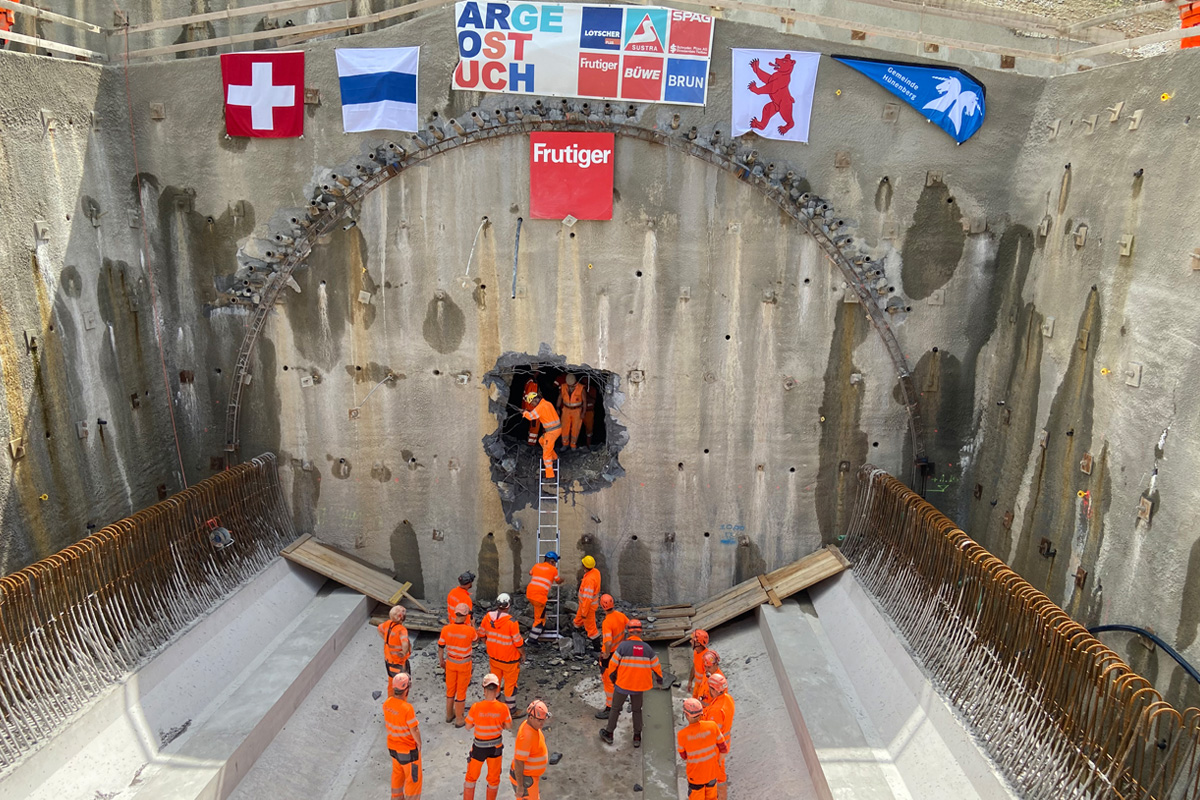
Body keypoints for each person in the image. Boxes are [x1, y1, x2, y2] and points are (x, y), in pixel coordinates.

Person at [599, 618, 662, 748]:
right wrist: (659, 680)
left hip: (623, 684)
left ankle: (609, 733)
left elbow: (612, 665)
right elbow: (656, 666)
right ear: (640, 632)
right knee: (637, 710)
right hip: (638, 686)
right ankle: (637, 737)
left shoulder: (623, 647)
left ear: (628, 632)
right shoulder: (647, 648)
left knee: (615, 709)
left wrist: (612, 678)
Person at [463, 673, 513, 800]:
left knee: (471, 778)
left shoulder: (476, 707)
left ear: (484, 689)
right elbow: (508, 726)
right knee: (493, 780)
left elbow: (467, 727)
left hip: (479, 748)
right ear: (497, 690)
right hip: (495, 748)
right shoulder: (503, 708)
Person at [478, 593, 525, 716]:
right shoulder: (512, 622)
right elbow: (518, 642)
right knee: (510, 685)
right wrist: (523, 654)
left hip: (494, 657)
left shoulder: (488, 617)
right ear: (508, 606)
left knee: (495, 681)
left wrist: (489, 644)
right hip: (510, 660)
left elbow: (481, 634)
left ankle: (495, 706)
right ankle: (511, 711)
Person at [676, 697, 728, 800]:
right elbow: (723, 748)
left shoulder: (682, 735)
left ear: (687, 715)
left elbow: (683, 756)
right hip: (712, 773)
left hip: (695, 777)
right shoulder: (712, 726)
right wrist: (718, 761)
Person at [439, 602, 480, 727]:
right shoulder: (469, 630)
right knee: (461, 691)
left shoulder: (446, 629)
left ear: (455, 614)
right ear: (466, 615)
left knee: (450, 690)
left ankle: (449, 715)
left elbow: (441, 647)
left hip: (450, 663)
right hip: (464, 663)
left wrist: (441, 661)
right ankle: (459, 719)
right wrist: (473, 625)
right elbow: (476, 640)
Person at [384, 673, 423, 800]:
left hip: (393, 749)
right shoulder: (407, 709)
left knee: (397, 775)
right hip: (408, 751)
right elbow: (414, 729)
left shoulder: (387, 703)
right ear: (406, 690)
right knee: (413, 780)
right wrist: (419, 743)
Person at [702, 674, 736, 800]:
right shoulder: (727, 699)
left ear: (714, 689)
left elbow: (711, 733)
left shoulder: (716, 711)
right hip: (723, 744)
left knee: (717, 776)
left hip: (715, 748)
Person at [594, 594, 628, 719]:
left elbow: (608, 642)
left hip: (610, 656)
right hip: (619, 652)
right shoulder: (620, 615)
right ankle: (618, 702)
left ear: (602, 606)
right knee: (617, 678)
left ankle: (611, 708)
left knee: (608, 682)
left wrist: (607, 653)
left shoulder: (607, 622)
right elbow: (629, 627)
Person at [510, 699, 550, 800]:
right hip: (525, 780)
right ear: (531, 718)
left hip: (530, 778)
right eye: (539, 720)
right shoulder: (526, 736)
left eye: (544, 719)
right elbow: (519, 762)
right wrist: (520, 787)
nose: (542, 723)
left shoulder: (532, 727)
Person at [521, 387, 561, 479]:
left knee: (546, 455)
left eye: (532, 403)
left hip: (551, 432)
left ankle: (550, 476)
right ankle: (554, 458)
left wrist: (524, 413)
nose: (533, 405)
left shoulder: (541, 407)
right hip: (556, 429)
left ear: (535, 399)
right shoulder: (547, 403)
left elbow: (531, 416)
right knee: (541, 440)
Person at [525, 551, 563, 641]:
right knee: (539, 619)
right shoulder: (554, 570)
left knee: (541, 614)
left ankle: (540, 631)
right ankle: (532, 639)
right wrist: (563, 579)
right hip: (539, 597)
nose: (555, 564)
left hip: (530, 593)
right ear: (552, 561)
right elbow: (558, 581)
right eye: (555, 562)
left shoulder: (536, 566)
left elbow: (530, 573)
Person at [378, 605, 412, 686]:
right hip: (398, 661)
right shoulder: (401, 630)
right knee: (402, 684)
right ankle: (399, 698)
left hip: (388, 659)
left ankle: (391, 697)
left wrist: (387, 640)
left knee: (392, 680)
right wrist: (404, 652)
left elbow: (379, 629)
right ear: (401, 617)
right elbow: (404, 643)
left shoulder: (388, 624)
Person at [573, 555, 602, 650]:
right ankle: (576, 631)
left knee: (591, 628)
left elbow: (587, 598)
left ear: (584, 566)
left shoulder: (589, 580)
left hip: (588, 607)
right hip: (584, 605)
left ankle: (597, 648)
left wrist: (584, 613)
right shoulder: (595, 572)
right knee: (578, 620)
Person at [557, 374, 585, 450]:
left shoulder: (580, 388)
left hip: (577, 410)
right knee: (564, 427)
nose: (570, 386)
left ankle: (573, 444)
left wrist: (583, 412)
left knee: (575, 428)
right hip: (566, 409)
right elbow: (560, 397)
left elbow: (585, 401)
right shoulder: (563, 387)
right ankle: (565, 444)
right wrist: (557, 408)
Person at [687, 629, 711, 699]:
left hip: (704, 689)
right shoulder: (696, 652)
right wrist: (690, 681)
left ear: (698, 643)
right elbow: (694, 666)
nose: (690, 641)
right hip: (698, 685)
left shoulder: (707, 659)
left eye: (692, 640)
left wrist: (701, 695)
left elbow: (708, 679)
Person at [521, 373, 541, 446]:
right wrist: (531, 409)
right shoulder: (532, 383)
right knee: (534, 427)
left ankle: (530, 441)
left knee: (532, 427)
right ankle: (531, 444)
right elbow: (528, 397)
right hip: (532, 409)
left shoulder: (530, 381)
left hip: (530, 408)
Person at [581, 375, 599, 446]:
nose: (584, 383)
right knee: (576, 429)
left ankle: (588, 445)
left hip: (589, 411)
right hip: (579, 411)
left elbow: (593, 400)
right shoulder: (579, 389)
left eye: (586, 382)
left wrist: (585, 394)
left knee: (589, 429)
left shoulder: (592, 389)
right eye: (583, 382)